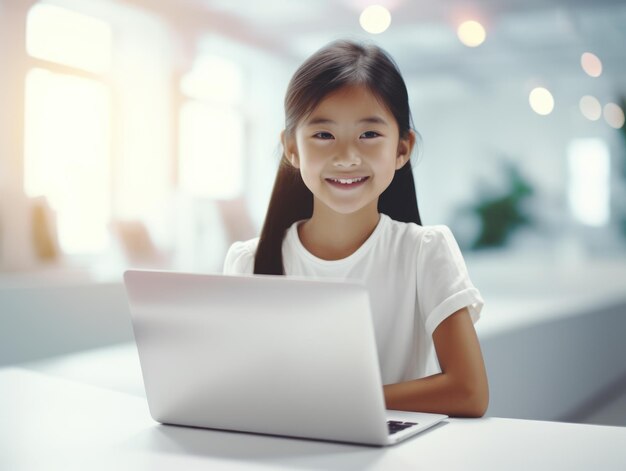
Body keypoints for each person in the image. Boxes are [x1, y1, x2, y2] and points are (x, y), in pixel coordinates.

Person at [223, 40, 488, 417]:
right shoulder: (248, 261)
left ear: (402, 149)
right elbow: (238, 387)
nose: (347, 157)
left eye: (369, 135)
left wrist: (339, 402)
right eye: (323, 135)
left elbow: (469, 392)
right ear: (291, 150)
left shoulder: (425, 251)